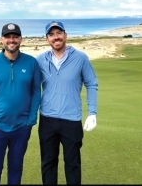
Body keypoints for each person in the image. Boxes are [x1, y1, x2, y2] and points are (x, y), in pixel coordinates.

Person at [0, 23, 41, 185]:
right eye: (8, 37)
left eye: (15, 37)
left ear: (20, 39)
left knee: (15, 169)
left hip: (22, 127)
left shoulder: (31, 63)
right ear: (1, 40)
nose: (11, 40)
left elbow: (36, 92)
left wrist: (31, 120)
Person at [36, 21, 98, 185]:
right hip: (47, 119)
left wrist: (92, 113)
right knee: (48, 164)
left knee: (72, 164)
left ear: (65, 35)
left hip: (71, 120)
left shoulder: (81, 58)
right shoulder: (40, 60)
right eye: (52, 34)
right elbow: (32, 87)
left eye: (59, 33)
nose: (56, 37)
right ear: (47, 39)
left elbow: (91, 84)